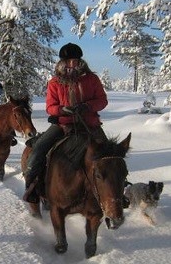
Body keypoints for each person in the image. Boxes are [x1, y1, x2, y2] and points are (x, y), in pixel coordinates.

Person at [22, 42, 109, 203]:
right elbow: (50, 107)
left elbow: (102, 100)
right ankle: (32, 186)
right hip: (63, 125)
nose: (72, 63)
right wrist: (62, 110)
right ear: (62, 62)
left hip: (89, 124)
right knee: (39, 149)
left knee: (111, 154)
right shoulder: (54, 82)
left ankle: (116, 191)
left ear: (80, 60)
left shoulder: (91, 79)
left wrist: (88, 106)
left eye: (75, 60)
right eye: (68, 60)